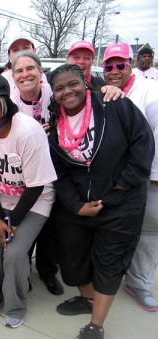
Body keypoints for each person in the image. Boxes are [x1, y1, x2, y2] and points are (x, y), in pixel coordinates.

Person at [48, 64, 153, 339]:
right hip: (79, 205)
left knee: (108, 265)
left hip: (121, 202)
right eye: (60, 88)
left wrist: (121, 186)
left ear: (86, 82)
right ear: (54, 94)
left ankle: (96, 326)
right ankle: (87, 299)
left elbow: (143, 145)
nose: (67, 92)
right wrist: (75, 205)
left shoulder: (114, 105)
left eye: (73, 84)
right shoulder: (54, 122)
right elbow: (58, 171)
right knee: (71, 259)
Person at [0, 73, 57, 327]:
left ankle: (15, 305)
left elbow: (37, 185)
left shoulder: (28, 131)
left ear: (5, 101)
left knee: (15, 254)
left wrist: (13, 222)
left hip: (34, 202)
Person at [102, 42, 158, 312]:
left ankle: (138, 283)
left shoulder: (149, 90)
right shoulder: (99, 94)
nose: (114, 71)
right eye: (108, 66)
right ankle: (106, 278)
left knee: (148, 232)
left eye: (120, 65)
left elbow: (156, 132)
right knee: (113, 230)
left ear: (131, 65)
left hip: (148, 177)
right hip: (113, 179)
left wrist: (156, 173)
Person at [10, 51, 63, 295]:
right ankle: (23, 270)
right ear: (13, 76)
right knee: (24, 227)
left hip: (55, 171)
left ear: (41, 72)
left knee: (50, 230)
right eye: (19, 71)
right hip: (23, 175)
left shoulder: (57, 95)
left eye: (30, 68)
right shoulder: (10, 101)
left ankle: (47, 272)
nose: (25, 74)